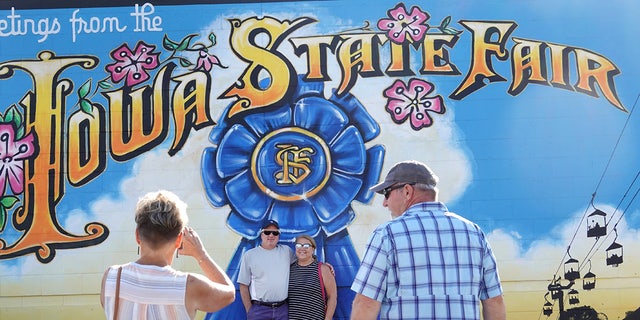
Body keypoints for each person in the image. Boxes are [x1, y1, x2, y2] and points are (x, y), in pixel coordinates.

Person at [350, 160, 506, 320]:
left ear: (407, 191)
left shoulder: (387, 235)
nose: (385, 202)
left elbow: (366, 303)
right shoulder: (474, 233)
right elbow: (494, 302)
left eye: (387, 193)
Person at [100, 190, 235, 320]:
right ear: (179, 239)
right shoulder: (189, 285)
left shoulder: (112, 276)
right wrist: (201, 255)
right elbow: (229, 293)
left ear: (137, 235)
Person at [238, 220, 295, 320]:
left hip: (283, 310)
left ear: (279, 236)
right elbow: (243, 285)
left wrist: (322, 266)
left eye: (275, 233)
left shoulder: (287, 252)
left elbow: (304, 263)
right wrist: (250, 311)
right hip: (259, 310)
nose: (271, 235)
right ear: (261, 234)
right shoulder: (250, 255)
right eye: (267, 232)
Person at [288, 235, 337, 320]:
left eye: (306, 246)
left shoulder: (323, 269)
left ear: (313, 249)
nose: (302, 248)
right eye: (299, 245)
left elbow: (332, 297)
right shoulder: (289, 269)